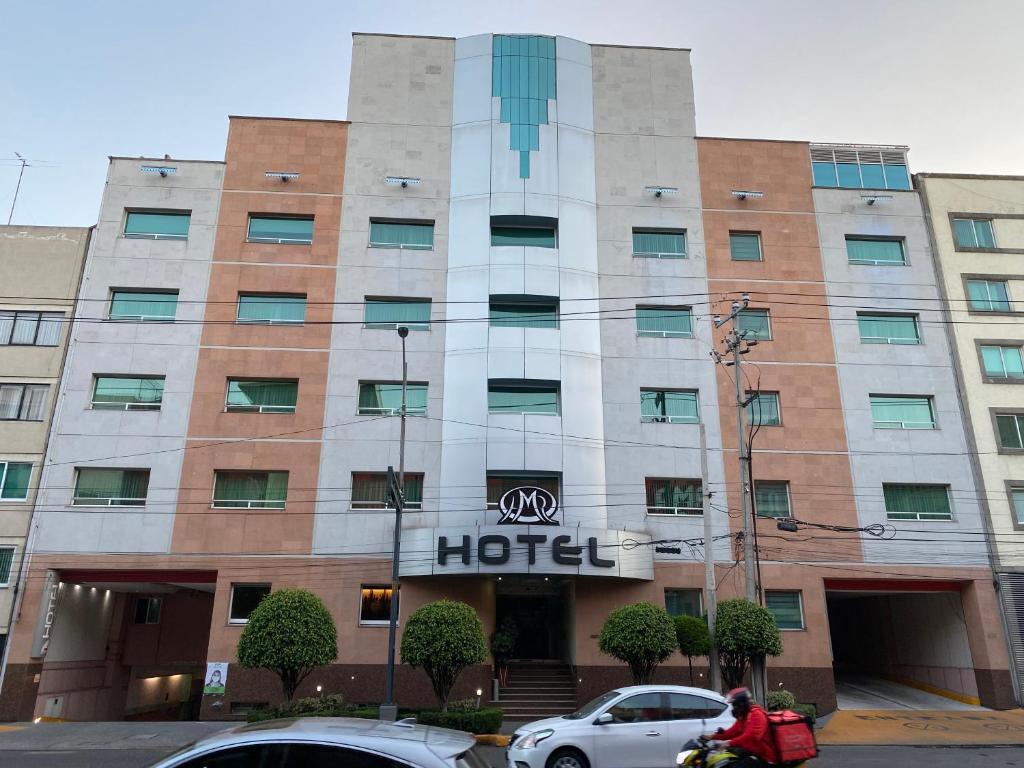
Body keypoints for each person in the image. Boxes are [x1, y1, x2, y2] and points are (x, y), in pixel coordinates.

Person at [703, 687, 776, 767]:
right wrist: (711, 737)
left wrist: (728, 743)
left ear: (742, 704)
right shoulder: (744, 717)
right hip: (752, 752)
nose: (733, 709)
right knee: (725, 760)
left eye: (735, 706)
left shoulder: (757, 715)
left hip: (765, 758)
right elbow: (732, 732)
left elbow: (750, 736)